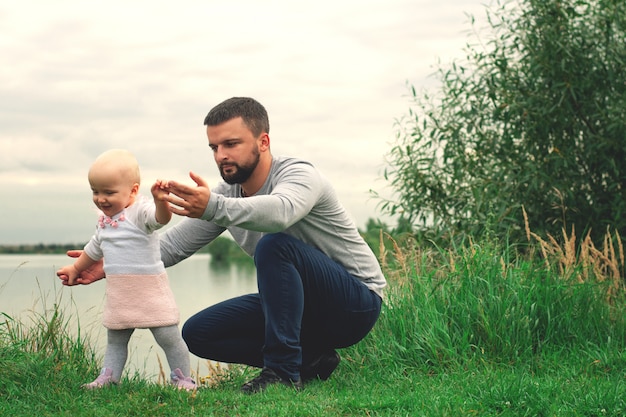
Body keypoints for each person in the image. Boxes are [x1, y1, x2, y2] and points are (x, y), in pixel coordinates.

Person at [59, 97, 386, 394]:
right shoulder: (228, 197)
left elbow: (279, 214)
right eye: (214, 147)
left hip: (354, 303)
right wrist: (116, 259)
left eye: (231, 144)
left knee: (274, 246)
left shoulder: (299, 175)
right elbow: (172, 246)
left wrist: (213, 206)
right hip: (299, 308)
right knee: (200, 332)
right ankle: (312, 360)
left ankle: (283, 373)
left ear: (263, 141)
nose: (221, 155)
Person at [56, 149, 196, 391]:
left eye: (109, 192)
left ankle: (183, 379)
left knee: (168, 337)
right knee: (116, 340)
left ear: (132, 190)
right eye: (95, 192)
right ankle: (109, 379)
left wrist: (160, 201)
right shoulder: (105, 221)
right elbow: (93, 249)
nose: (101, 199)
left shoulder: (139, 213)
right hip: (121, 292)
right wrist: (75, 268)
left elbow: (160, 219)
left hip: (150, 290)